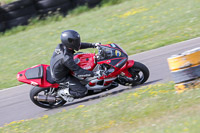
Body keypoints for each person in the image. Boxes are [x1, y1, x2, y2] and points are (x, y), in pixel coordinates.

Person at [50, 30, 99, 102]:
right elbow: (79, 72)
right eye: (75, 41)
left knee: (82, 56)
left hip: (61, 67)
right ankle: (61, 93)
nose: (77, 42)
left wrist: (93, 45)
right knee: (82, 91)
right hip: (62, 77)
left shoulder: (62, 45)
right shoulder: (66, 59)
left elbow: (78, 46)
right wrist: (95, 74)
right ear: (69, 43)